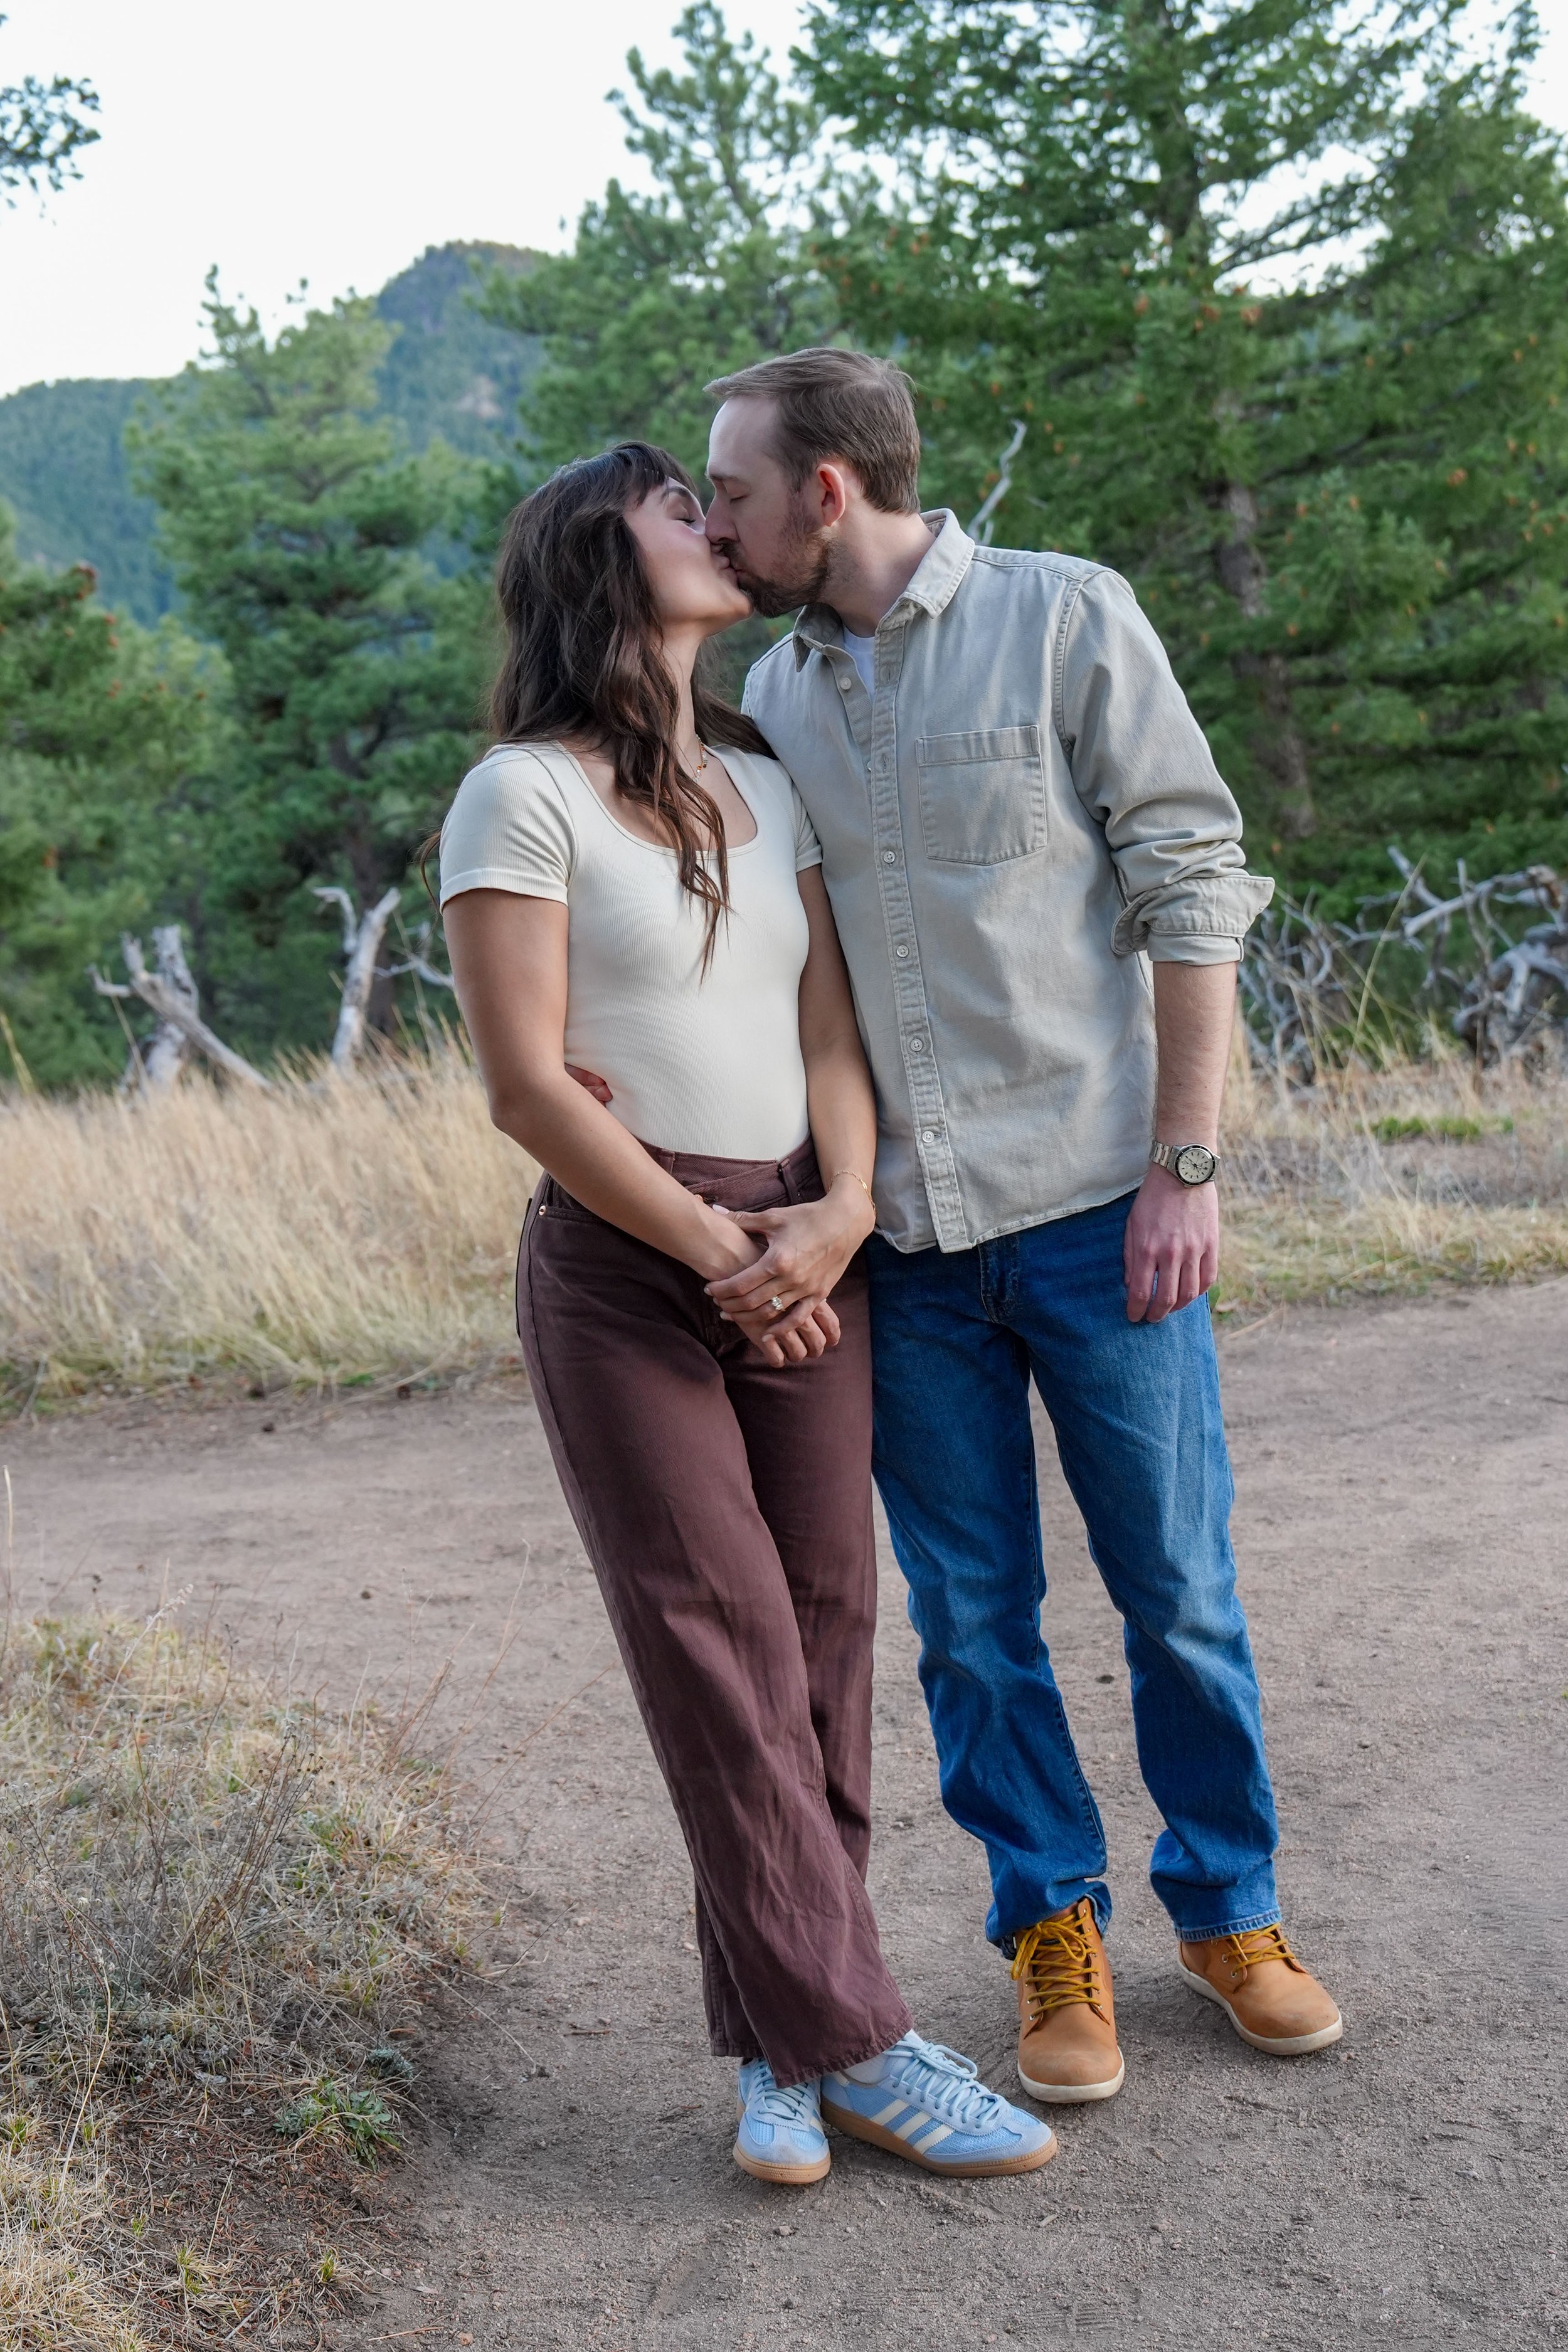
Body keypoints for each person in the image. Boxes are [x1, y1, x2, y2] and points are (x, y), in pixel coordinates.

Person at [696, 350, 1344, 2107]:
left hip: (1093, 1211)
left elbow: (1189, 878)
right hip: (899, 1249)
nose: (716, 520)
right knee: (971, 1623)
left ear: (826, 489)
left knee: (1177, 1595)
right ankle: (1047, 1931)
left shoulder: (1067, 618)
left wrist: (1183, 1167)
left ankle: (1229, 1914)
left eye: (734, 490)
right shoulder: (776, 693)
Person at [437, 442, 1055, 2186]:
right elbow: (527, 1091)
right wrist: (726, 1253)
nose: (715, 527)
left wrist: (839, 1217)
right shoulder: (520, 796)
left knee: (821, 1639)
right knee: (716, 1646)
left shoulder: (766, 783)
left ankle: (782, 2038)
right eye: (674, 510)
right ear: (594, 563)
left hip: (804, 1236)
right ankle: (860, 2042)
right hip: (637, 1258)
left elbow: (829, 1042)